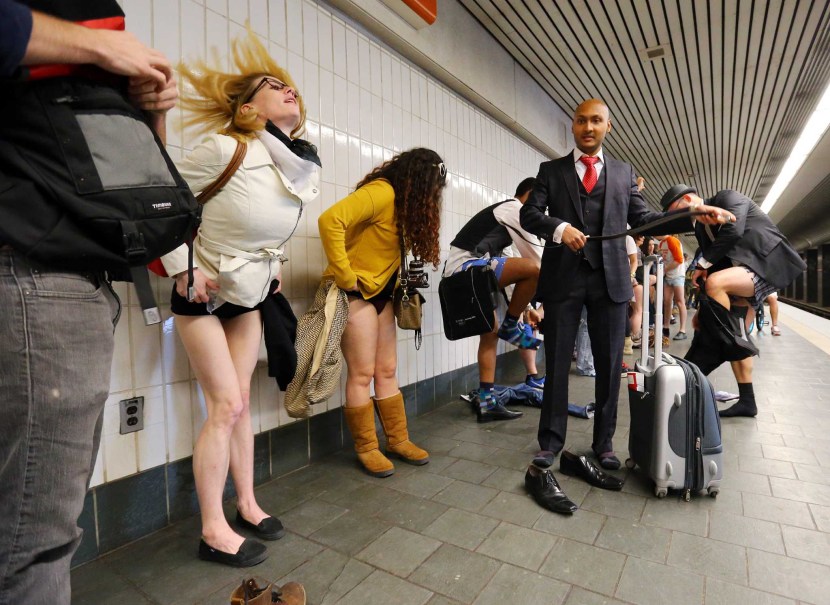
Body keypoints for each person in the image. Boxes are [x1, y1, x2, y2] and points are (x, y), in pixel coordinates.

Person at [0, 1, 177, 602]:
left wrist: (150, 116)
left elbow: (137, 192)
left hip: (63, 278)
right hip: (36, 276)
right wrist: (98, 45)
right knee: (33, 543)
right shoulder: (82, 37)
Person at [519, 99, 734, 502]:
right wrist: (560, 228)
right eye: (581, 120)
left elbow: (646, 219)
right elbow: (530, 214)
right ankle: (550, 442)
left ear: (608, 127)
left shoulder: (623, 173)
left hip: (611, 279)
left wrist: (692, 215)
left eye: (596, 121)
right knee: (558, 362)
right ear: (573, 126)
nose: (588, 127)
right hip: (564, 279)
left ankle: (603, 444)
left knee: (609, 365)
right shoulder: (551, 171)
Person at [158, 32, 321, 567]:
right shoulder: (225, 148)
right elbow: (163, 205)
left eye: (289, 85)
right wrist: (183, 268)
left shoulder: (290, 164)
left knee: (242, 404)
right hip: (203, 296)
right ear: (248, 109)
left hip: (248, 295)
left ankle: (247, 503)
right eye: (273, 86)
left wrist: (274, 267)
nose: (288, 89)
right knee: (225, 405)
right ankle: (212, 530)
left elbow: (261, 226)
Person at [319, 149, 446, 477]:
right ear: (418, 181)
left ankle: (398, 439)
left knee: (386, 370)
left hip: (383, 295)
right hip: (357, 294)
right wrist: (345, 276)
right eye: (432, 189)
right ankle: (367, 447)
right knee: (362, 373)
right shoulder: (381, 192)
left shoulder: (403, 206)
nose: (433, 197)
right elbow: (330, 220)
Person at [660, 184, 806, 418]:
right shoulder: (700, 228)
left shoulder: (727, 198)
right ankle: (747, 401)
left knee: (718, 295)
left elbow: (733, 230)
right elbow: (716, 264)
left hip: (765, 262)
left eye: (675, 211)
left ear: (687, 200)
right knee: (736, 335)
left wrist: (702, 264)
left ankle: (714, 351)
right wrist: (704, 310)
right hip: (740, 276)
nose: (678, 217)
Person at [443, 177, 543, 422]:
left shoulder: (505, 224)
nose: (542, 209)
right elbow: (537, 260)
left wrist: (525, 308)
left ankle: (487, 403)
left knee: (490, 335)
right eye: (541, 201)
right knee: (535, 269)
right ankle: (509, 327)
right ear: (529, 194)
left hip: (472, 273)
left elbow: (511, 270)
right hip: (466, 268)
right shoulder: (513, 209)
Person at [656, 235, 688, 343]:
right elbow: (664, 260)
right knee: (667, 302)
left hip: (677, 275)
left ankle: (682, 330)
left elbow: (679, 260)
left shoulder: (672, 240)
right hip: (668, 276)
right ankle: (666, 328)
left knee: (680, 301)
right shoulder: (661, 243)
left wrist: (664, 270)